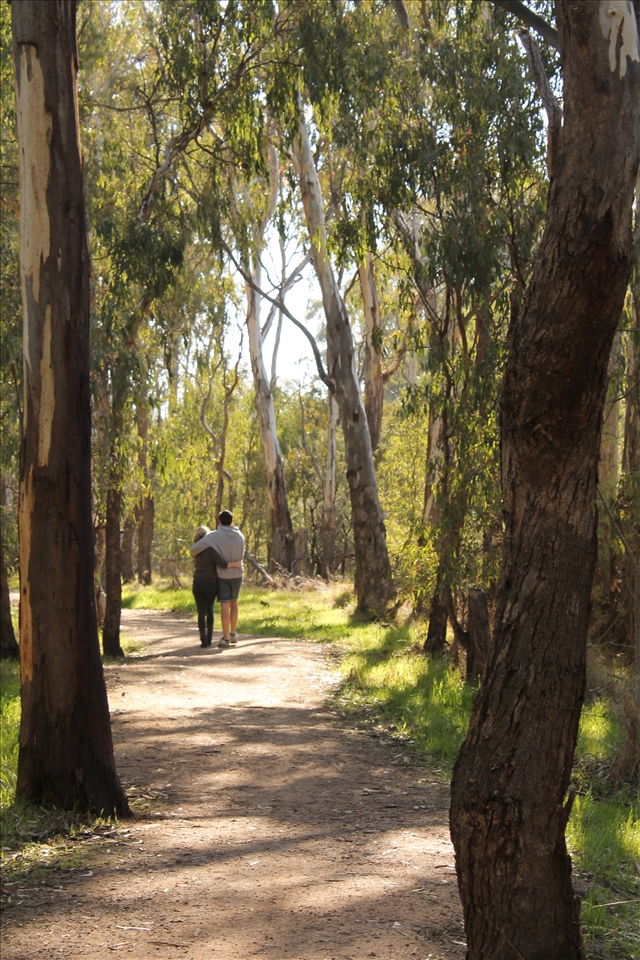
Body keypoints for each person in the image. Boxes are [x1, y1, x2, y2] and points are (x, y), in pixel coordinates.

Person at [190, 510, 244, 649]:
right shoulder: (240, 536)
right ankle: (233, 634)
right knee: (234, 603)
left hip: (223, 576)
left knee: (224, 607)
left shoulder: (214, 536)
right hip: (237, 574)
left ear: (219, 521)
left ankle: (225, 638)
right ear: (232, 521)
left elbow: (193, 550)